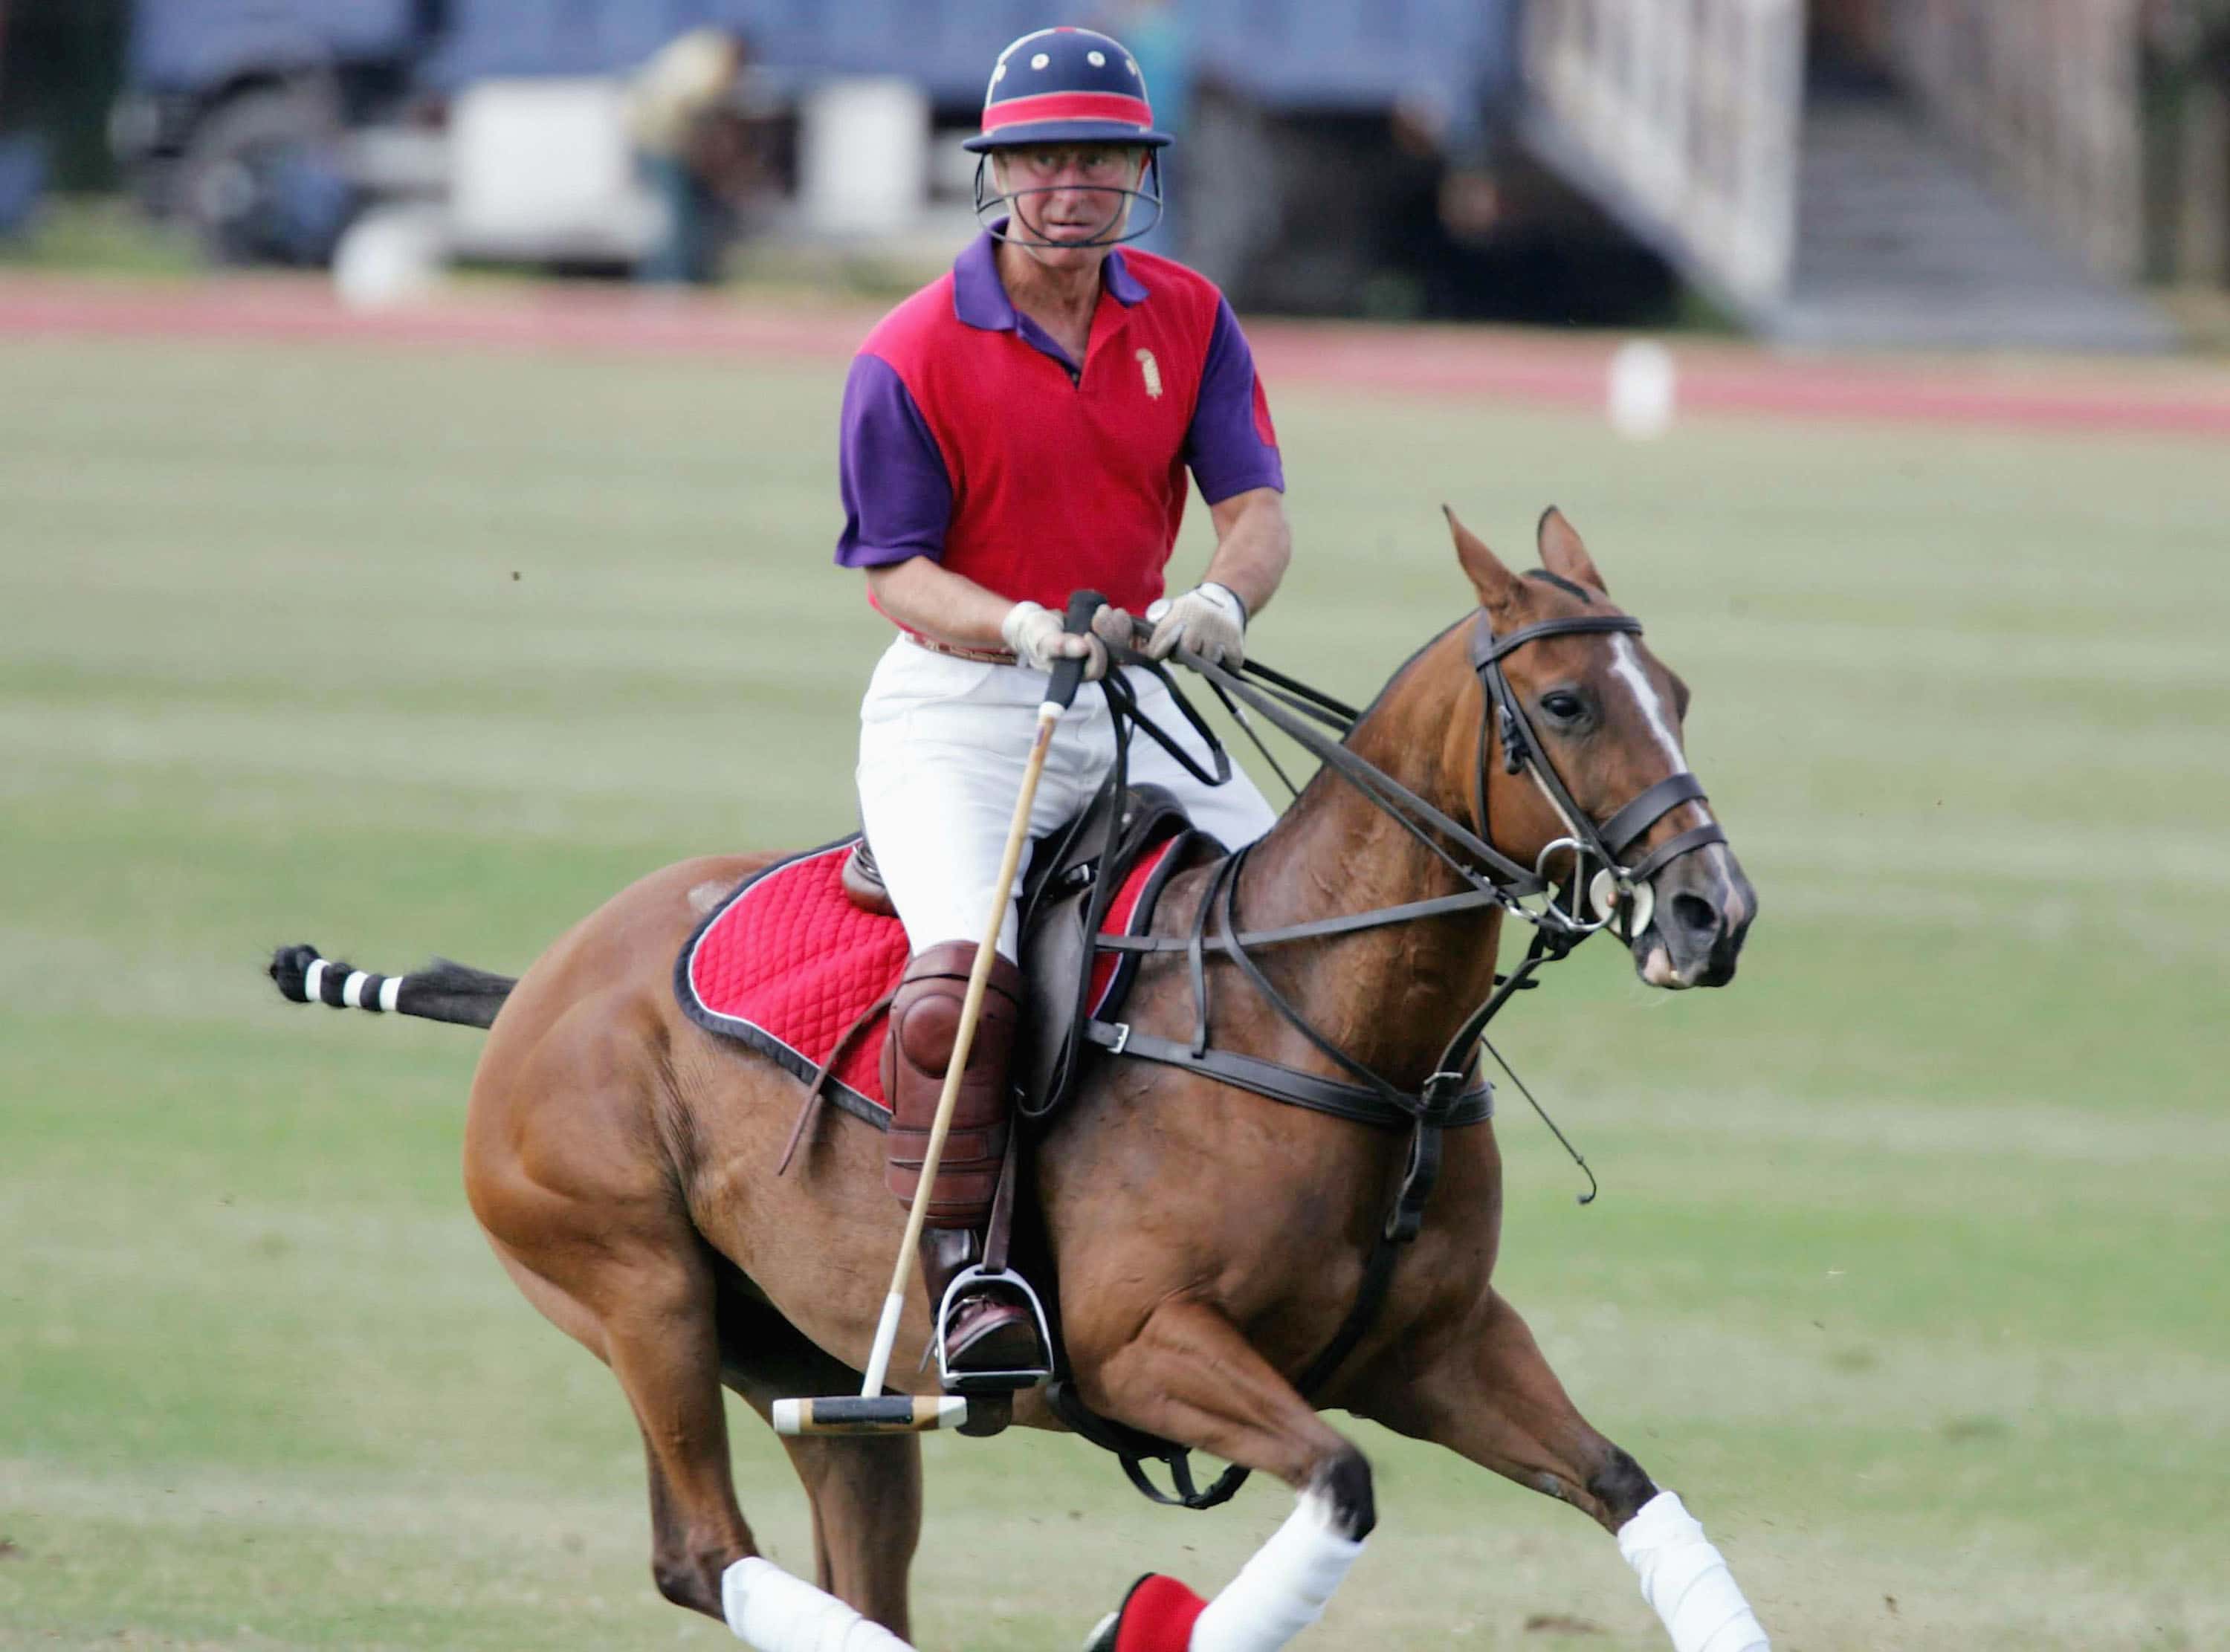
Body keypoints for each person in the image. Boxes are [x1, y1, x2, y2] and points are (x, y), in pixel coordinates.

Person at [833, 25, 1293, 1376]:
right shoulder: (911, 350)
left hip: (1133, 693)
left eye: (1100, 157)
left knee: (1303, 926)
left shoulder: (1191, 317)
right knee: (963, 988)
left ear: (1140, 171)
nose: (1072, 185)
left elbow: (1256, 510)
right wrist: (1017, 621)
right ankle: (968, 1274)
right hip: (964, 707)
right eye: (1042, 159)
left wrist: (1222, 601)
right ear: (997, 172)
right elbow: (895, 570)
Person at [627, 27, 748, 285]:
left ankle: (680, 278)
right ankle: (672, 280)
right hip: (661, 144)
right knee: (679, 219)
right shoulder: (707, 70)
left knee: (684, 218)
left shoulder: (698, 54)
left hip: (663, 141)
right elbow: (698, 121)